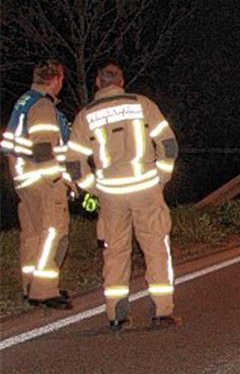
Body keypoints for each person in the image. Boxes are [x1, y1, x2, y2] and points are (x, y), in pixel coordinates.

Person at [66, 61, 179, 330]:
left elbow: (73, 162)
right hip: (145, 189)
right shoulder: (142, 104)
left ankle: (117, 316)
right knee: (156, 249)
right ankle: (162, 313)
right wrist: (160, 178)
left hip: (111, 195)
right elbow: (169, 145)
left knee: (115, 253)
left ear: (97, 82)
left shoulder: (86, 115)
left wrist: (93, 187)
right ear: (121, 81)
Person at [1, 59, 73, 310]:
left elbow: (11, 146)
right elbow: (44, 148)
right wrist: (60, 180)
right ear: (55, 79)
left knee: (32, 235)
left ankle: (30, 286)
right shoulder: (42, 106)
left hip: (24, 179)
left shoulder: (23, 102)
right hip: (44, 180)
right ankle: (45, 290)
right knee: (55, 233)